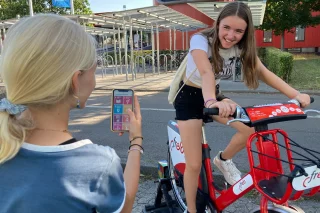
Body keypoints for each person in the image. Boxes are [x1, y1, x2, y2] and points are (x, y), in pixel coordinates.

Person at [173, 2, 311, 213]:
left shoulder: (241, 47)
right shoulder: (200, 40)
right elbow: (206, 72)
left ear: (246, 32)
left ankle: (223, 160)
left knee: (251, 130)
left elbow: (263, 72)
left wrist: (296, 95)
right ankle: (191, 210)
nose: (231, 35)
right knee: (193, 165)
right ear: (218, 24)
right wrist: (211, 102)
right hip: (190, 97)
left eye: (238, 31)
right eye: (226, 27)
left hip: (214, 95)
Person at [0, 14, 143, 213]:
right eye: (94, 72)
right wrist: (136, 141)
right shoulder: (97, 165)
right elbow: (125, 205)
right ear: (75, 81)